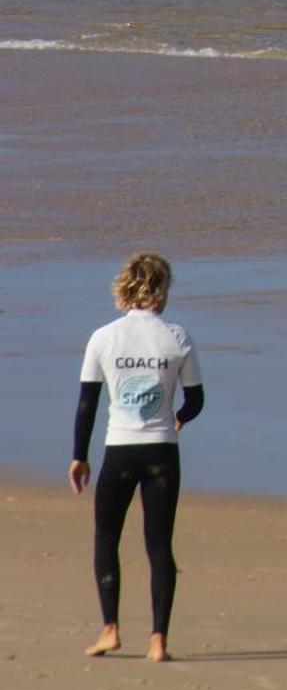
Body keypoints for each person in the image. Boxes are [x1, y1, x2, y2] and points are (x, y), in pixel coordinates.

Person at [68, 251, 205, 664]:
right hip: (162, 451)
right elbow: (196, 400)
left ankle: (110, 629)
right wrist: (177, 419)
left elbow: (86, 406)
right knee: (159, 545)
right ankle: (158, 640)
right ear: (162, 289)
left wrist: (79, 457)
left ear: (124, 286)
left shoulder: (103, 337)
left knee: (107, 538)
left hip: (119, 451)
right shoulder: (177, 337)